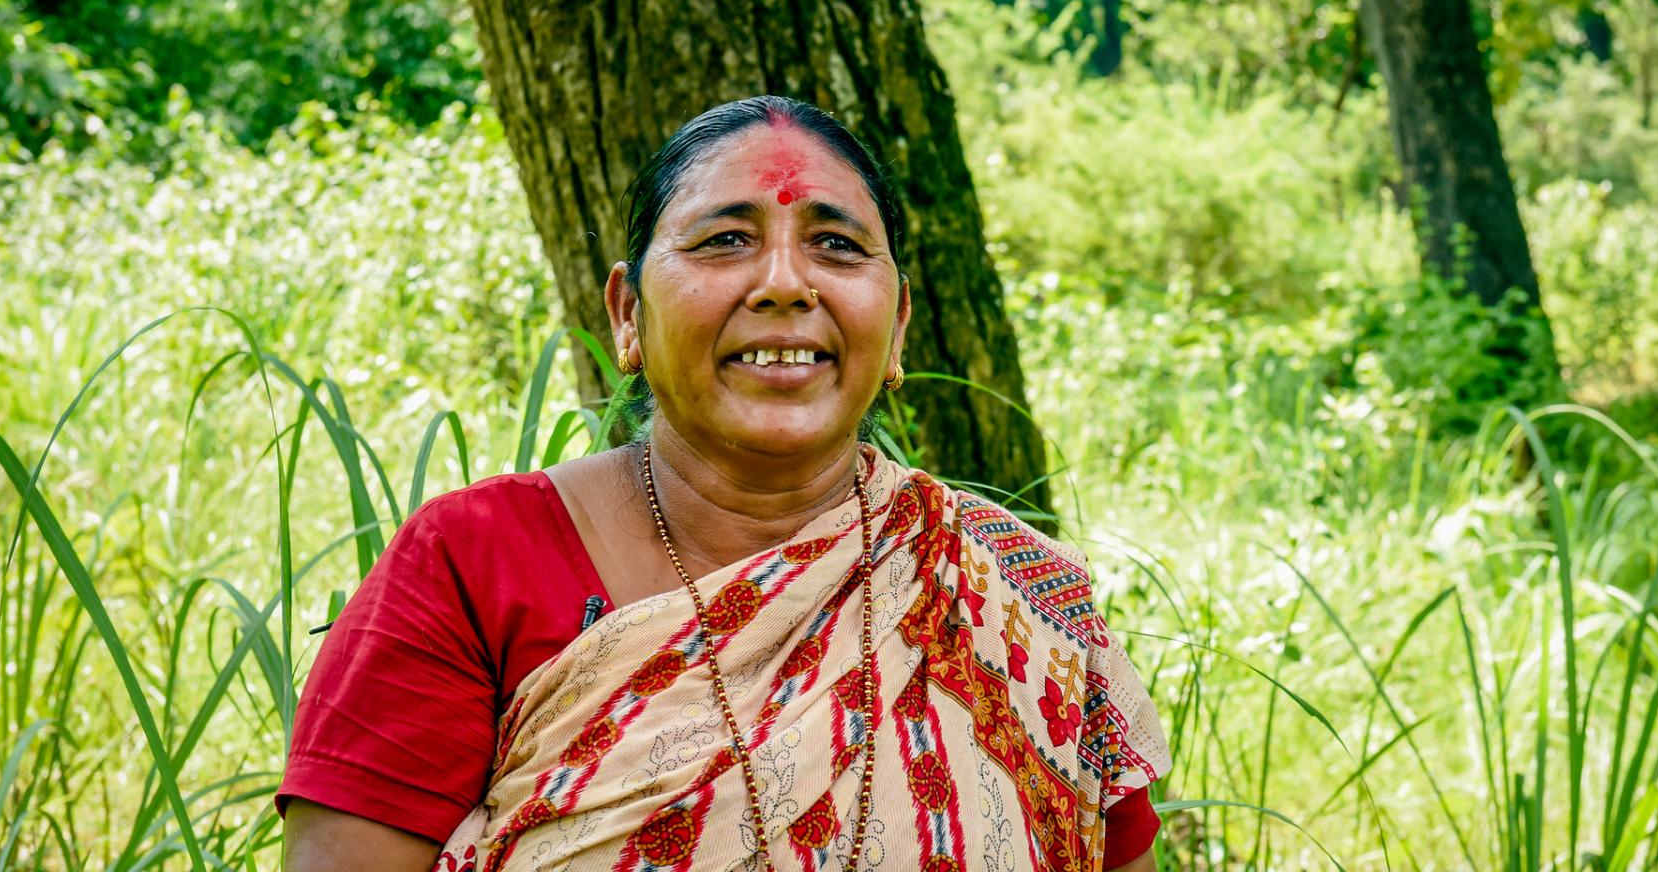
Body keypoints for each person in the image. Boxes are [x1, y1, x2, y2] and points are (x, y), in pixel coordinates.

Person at [278, 95, 1169, 872]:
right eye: (726, 240)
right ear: (628, 315)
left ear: (896, 326)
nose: (784, 283)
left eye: (835, 244)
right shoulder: (473, 564)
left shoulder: (1014, 596)